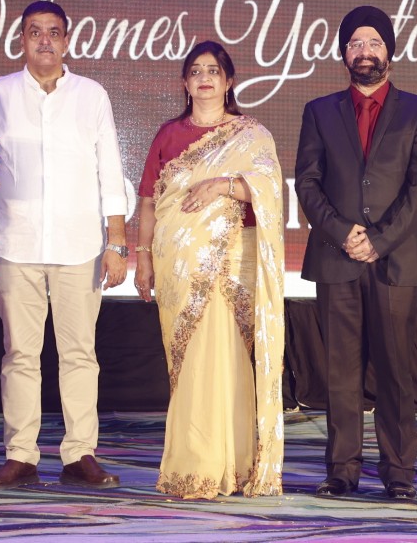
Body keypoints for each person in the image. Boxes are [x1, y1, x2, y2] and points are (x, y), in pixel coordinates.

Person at [0, 1, 131, 491]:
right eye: (34, 32)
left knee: (79, 354)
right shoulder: (1, 92)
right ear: (21, 40)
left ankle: (79, 453)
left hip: (79, 243)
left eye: (53, 32)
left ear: (67, 41)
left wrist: (117, 242)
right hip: (15, 241)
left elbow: (109, 167)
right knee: (19, 355)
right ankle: (20, 456)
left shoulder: (91, 95)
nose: (44, 40)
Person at [294, 5, 417, 500]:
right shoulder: (319, 111)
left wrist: (379, 239)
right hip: (335, 258)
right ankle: (342, 470)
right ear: (343, 54)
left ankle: (399, 473)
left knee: (396, 371)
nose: (364, 51)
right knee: (340, 372)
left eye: (374, 42)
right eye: (355, 43)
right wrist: (343, 233)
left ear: (389, 52)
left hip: (395, 260)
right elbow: (308, 183)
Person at [132, 40, 284, 499]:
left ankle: (232, 464)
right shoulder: (168, 135)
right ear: (184, 82)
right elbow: (148, 201)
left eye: (213, 71)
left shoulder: (251, 135)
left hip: (232, 261)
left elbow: (269, 191)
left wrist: (222, 183)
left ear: (229, 81)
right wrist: (143, 256)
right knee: (190, 361)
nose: (204, 78)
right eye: (195, 71)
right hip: (177, 264)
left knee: (228, 356)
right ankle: (193, 464)